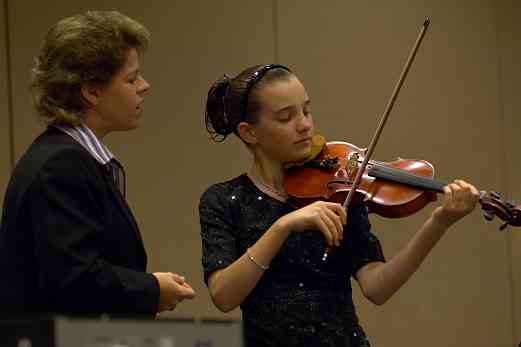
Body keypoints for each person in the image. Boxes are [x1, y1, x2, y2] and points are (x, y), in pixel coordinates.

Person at [199, 64, 480, 346]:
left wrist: (438, 223)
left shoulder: (341, 188)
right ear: (249, 133)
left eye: (306, 111)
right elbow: (224, 296)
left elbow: (377, 288)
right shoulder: (222, 200)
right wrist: (283, 226)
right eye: (286, 117)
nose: (305, 124)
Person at [0, 10, 195, 316]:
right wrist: (152, 289)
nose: (144, 85)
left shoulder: (71, 157)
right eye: (131, 78)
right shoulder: (60, 165)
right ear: (91, 90)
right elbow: (74, 280)